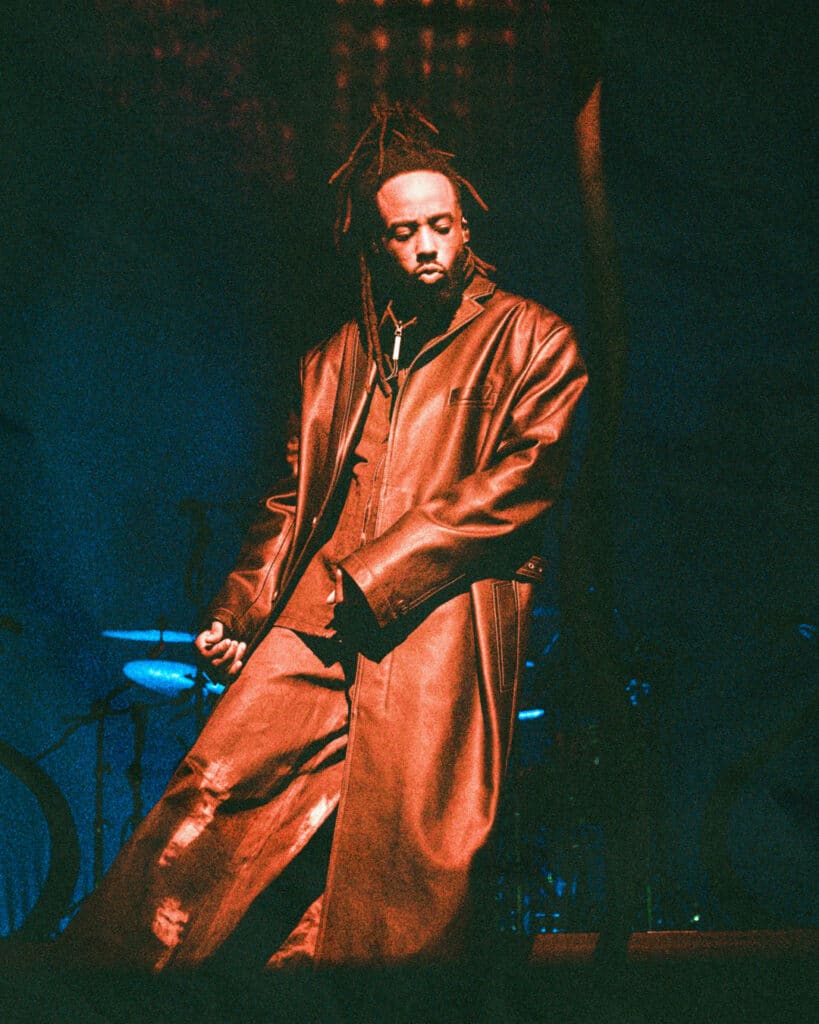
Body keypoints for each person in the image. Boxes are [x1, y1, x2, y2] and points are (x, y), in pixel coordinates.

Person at [59, 103, 587, 970]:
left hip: (437, 620)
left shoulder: (532, 339)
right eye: (405, 233)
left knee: (404, 843)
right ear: (377, 246)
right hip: (320, 611)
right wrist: (239, 611)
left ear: (466, 230)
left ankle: (337, 988)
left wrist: (383, 571)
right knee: (215, 784)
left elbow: (523, 480)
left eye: (440, 227)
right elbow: (289, 501)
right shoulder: (336, 358)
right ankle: (106, 983)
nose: (425, 247)